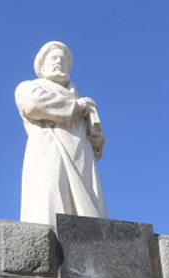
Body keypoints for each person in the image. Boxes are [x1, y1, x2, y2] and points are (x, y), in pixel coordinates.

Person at [15, 41, 107, 225]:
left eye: (63, 59)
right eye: (53, 58)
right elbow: (33, 104)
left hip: (81, 158)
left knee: (90, 216)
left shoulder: (81, 100)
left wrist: (91, 120)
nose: (59, 62)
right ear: (42, 65)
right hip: (50, 153)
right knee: (51, 204)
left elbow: (96, 143)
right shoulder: (29, 87)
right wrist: (75, 106)